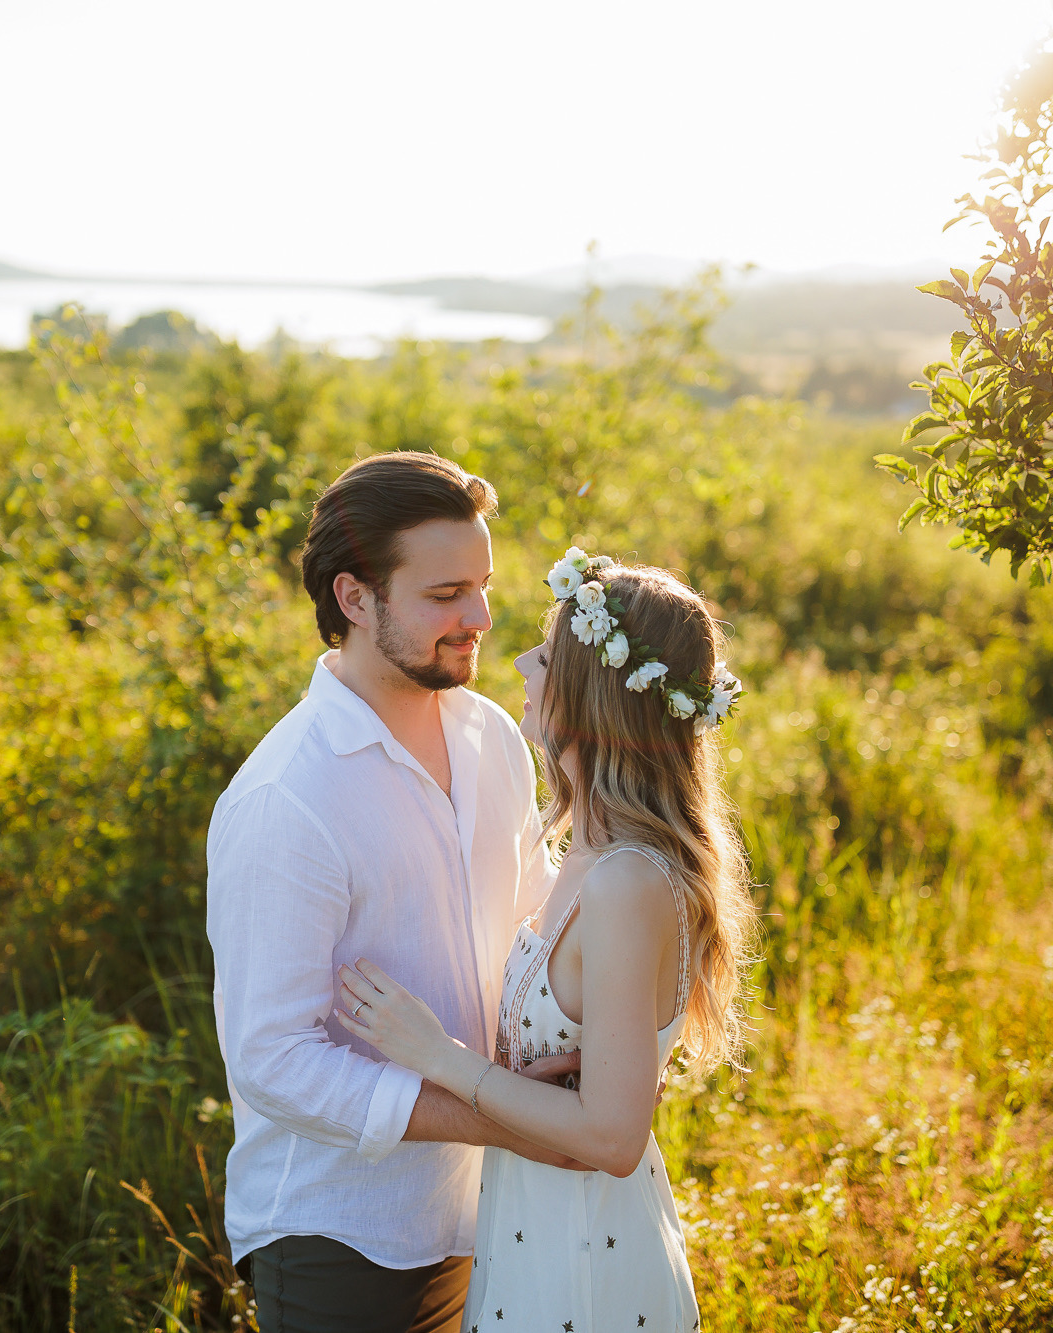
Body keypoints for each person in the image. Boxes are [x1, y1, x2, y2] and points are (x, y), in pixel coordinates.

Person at [335, 548, 757, 1333]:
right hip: (534, 1224)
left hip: (586, 1253)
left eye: (550, 650)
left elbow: (612, 1134)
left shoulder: (628, 881)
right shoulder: (583, 853)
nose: (524, 658)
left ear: (593, 696)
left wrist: (437, 1057)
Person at [207, 452, 580, 1333]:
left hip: (491, 1209)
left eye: (483, 585)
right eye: (446, 593)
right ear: (355, 599)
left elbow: (533, 922)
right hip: (344, 1234)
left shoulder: (491, 735)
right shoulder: (285, 799)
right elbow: (273, 1058)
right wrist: (495, 1115)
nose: (481, 617)